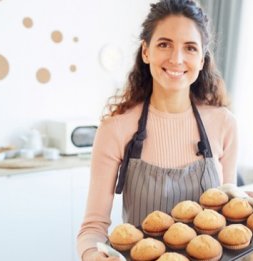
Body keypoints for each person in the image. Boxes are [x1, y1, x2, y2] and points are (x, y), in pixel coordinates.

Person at [76, 0, 238, 260]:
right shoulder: (115, 129)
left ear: (202, 57)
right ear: (146, 51)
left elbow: (231, 218)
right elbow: (93, 228)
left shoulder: (224, 124)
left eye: (190, 48)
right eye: (164, 44)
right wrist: (92, 256)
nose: (177, 59)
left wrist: (251, 209)